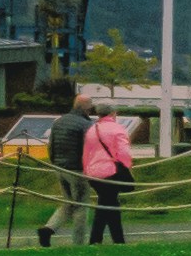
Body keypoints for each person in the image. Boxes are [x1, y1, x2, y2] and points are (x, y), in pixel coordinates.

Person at [42, 93, 96, 245]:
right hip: (77, 170)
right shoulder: (86, 125)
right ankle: (78, 243)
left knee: (68, 203)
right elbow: (88, 149)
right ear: (87, 108)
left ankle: (49, 228)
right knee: (81, 206)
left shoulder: (59, 121)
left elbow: (51, 145)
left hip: (59, 167)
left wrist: (54, 162)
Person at [81, 100, 136, 245]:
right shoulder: (117, 129)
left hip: (93, 173)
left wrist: (87, 171)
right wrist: (127, 167)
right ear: (113, 113)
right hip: (110, 172)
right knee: (109, 205)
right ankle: (111, 240)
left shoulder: (92, 129)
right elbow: (124, 152)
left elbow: (86, 153)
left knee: (107, 204)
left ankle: (104, 239)